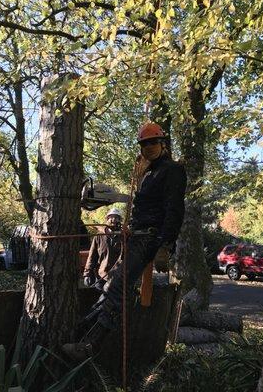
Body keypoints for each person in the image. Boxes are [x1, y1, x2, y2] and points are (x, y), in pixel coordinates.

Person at [63, 121, 187, 360]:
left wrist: (165, 246)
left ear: (162, 144)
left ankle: (89, 345)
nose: (148, 147)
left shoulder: (172, 170)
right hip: (137, 237)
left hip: (150, 238)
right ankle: (81, 329)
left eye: (152, 142)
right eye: (144, 144)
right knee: (109, 284)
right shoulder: (148, 173)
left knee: (117, 287)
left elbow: (175, 210)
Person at [83, 208, 123, 290]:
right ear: (107, 219)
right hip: (102, 275)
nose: (114, 220)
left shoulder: (124, 237)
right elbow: (92, 256)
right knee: (101, 297)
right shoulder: (99, 236)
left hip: (118, 276)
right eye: (111, 217)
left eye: (117, 217)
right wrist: (87, 273)